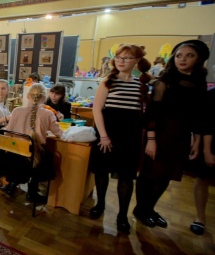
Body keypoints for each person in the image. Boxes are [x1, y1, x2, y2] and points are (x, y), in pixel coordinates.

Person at [133, 40, 209, 229]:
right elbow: (152, 112)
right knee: (149, 174)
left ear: (198, 59)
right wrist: (151, 140)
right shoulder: (164, 82)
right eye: (179, 55)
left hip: (181, 135)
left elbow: (199, 115)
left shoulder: (199, 83)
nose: (183, 59)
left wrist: (196, 141)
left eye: (189, 55)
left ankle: (150, 209)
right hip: (160, 133)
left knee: (166, 175)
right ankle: (141, 210)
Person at [88, 44, 151, 233]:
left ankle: (122, 215)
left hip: (130, 136)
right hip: (107, 133)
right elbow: (97, 109)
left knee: (126, 177)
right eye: (119, 57)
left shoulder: (140, 84)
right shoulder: (108, 81)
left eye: (127, 58)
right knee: (102, 172)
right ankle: (100, 204)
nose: (121, 61)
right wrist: (104, 136)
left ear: (136, 61)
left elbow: (142, 113)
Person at [0, 83, 62, 198]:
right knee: (49, 155)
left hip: (15, 155)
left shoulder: (16, 111)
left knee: (26, 151)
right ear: (44, 98)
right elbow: (59, 133)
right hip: (35, 158)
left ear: (27, 96)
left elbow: (7, 132)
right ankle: (32, 190)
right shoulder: (48, 114)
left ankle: (11, 185)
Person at [188, 85, 214, 235]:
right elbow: (205, 123)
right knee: (202, 179)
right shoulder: (211, 95)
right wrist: (206, 150)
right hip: (209, 142)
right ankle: (200, 217)